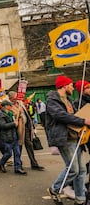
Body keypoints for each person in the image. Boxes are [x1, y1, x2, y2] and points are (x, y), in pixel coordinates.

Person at [45, 75, 90, 205]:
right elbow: (60, 115)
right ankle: (54, 189)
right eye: (70, 85)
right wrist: (83, 120)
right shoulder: (52, 100)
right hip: (64, 138)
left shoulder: (69, 100)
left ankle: (80, 199)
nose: (72, 88)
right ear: (64, 86)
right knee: (73, 169)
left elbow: (75, 115)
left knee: (82, 170)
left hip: (75, 138)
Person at [8, 91, 44, 171]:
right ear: (10, 98)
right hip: (18, 129)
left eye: (16, 97)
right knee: (18, 147)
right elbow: (12, 117)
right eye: (14, 97)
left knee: (29, 145)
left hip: (26, 127)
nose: (16, 98)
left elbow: (27, 114)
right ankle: (18, 165)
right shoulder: (9, 106)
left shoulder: (20, 102)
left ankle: (34, 163)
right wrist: (18, 112)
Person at [0, 100, 27, 175]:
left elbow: (16, 119)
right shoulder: (0, 115)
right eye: (9, 105)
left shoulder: (10, 113)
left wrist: (19, 113)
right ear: (5, 106)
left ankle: (18, 168)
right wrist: (13, 124)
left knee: (17, 153)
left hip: (14, 136)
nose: (11, 107)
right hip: (6, 137)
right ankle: (1, 162)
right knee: (9, 153)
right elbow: (2, 126)